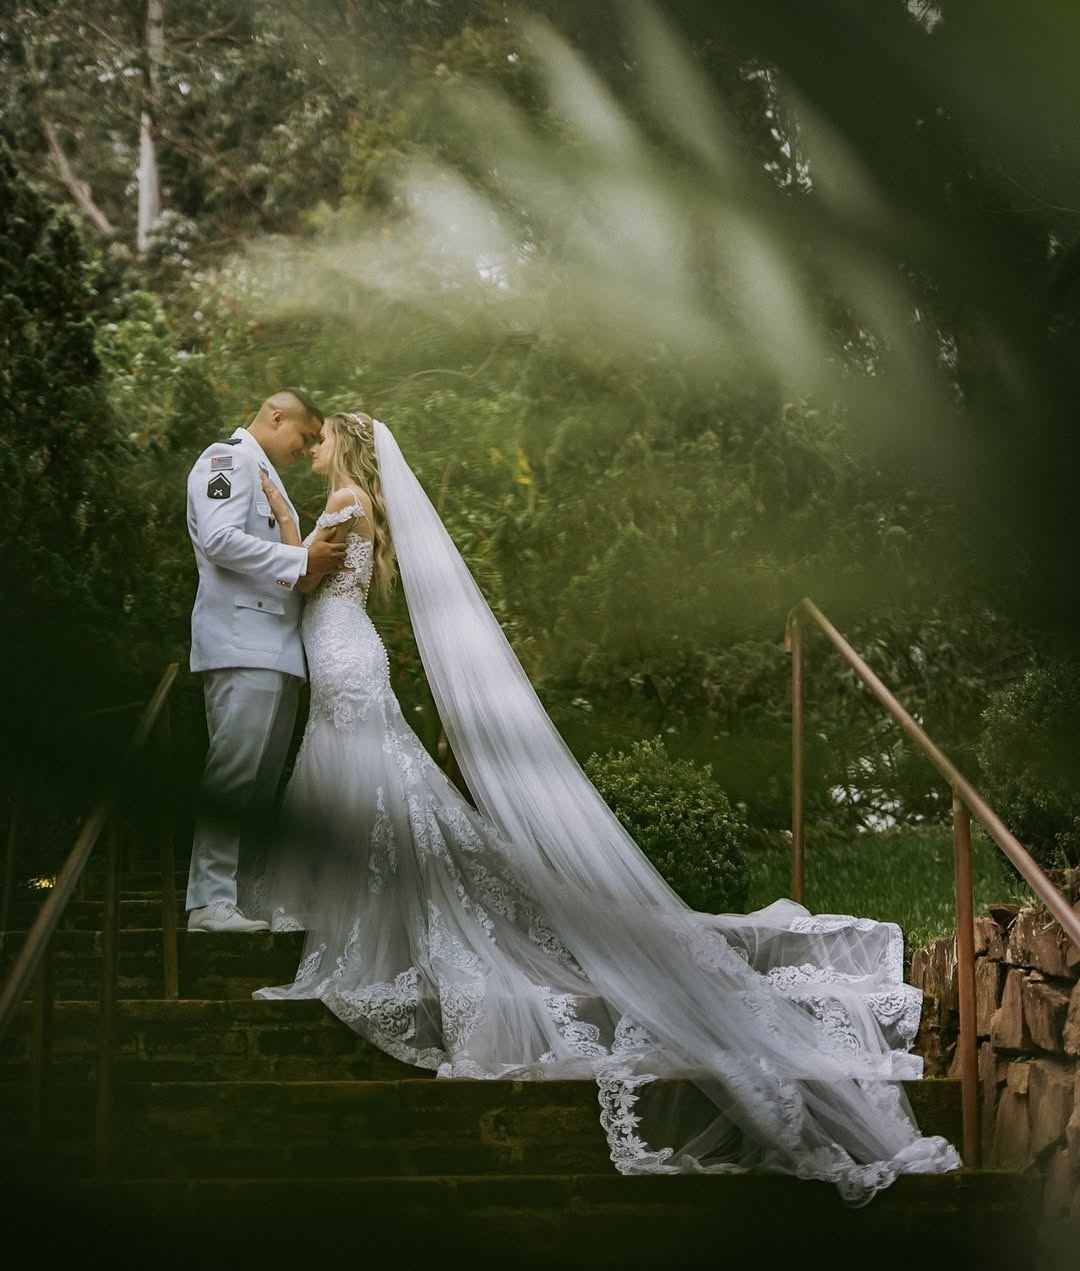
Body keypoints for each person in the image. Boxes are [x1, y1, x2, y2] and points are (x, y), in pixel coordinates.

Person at [250, 412, 961, 1201]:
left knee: (378, 783)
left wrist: (279, 518)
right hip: (341, 649)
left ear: (342, 445)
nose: (309, 448)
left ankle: (365, 903)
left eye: (318, 439)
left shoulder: (344, 500)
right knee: (369, 781)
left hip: (344, 652)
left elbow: (304, 574)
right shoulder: (356, 501)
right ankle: (354, 896)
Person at [184, 390, 348, 934]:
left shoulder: (266, 475)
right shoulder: (225, 460)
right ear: (276, 417)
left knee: (256, 786)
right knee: (231, 778)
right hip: (240, 640)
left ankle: (243, 899)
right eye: (304, 436)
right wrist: (300, 557)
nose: (305, 449)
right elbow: (219, 539)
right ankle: (208, 903)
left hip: (276, 648)